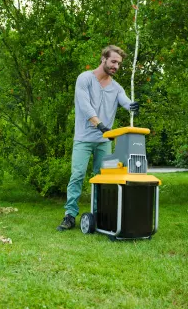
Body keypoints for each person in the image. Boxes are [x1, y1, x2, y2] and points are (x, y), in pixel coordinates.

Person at [57, 45, 139, 231]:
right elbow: (85, 106)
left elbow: (125, 100)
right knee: (77, 175)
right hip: (84, 138)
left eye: (118, 63)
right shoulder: (85, 78)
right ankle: (70, 216)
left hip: (104, 142)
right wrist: (100, 124)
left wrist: (132, 106)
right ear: (103, 59)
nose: (116, 66)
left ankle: (99, 213)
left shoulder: (116, 87)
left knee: (102, 178)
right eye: (113, 61)